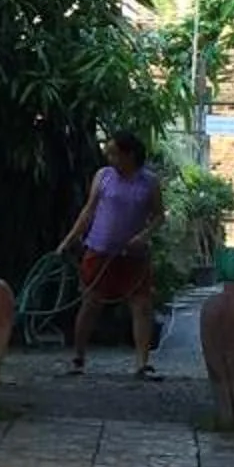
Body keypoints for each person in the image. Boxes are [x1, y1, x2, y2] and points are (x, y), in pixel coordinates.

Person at [58, 130, 164, 377]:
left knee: (141, 306)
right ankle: (78, 357)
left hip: (133, 255)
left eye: (115, 153)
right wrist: (68, 241)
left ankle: (141, 363)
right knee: (90, 303)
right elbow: (89, 210)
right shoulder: (103, 176)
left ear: (130, 154)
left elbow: (159, 216)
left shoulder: (149, 181)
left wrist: (143, 236)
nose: (110, 158)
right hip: (100, 249)